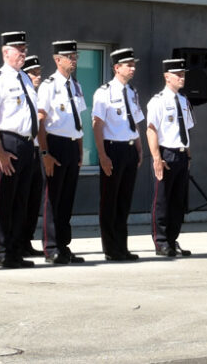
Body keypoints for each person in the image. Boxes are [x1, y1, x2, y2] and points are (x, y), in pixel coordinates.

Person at [0, 31, 46, 267]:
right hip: (8, 142)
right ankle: (1, 251)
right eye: (19, 49)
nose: (23, 53)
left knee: (22, 199)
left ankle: (16, 250)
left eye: (24, 49)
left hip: (27, 143)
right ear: (6, 52)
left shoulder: (25, 78)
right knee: (6, 198)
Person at [92, 48, 143, 260]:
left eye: (133, 64)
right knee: (109, 200)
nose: (132, 68)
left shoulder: (132, 92)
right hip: (113, 149)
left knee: (124, 200)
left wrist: (139, 148)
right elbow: (97, 124)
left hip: (129, 149)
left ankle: (122, 246)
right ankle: (111, 248)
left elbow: (135, 122)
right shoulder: (104, 92)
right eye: (128, 65)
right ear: (116, 68)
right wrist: (102, 155)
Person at [39, 41, 88, 263]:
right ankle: (51, 247)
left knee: (67, 198)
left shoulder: (76, 86)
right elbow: (40, 121)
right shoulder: (49, 85)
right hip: (55, 144)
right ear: (57, 59)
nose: (74, 59)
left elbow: (79, 121)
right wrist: (45, 153)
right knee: (53, 198)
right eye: (70, 56)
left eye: (75, 56)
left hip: (72, 145)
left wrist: (80, 150)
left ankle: (63, 245)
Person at [145, 57, 196, 258]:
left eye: (183, 74)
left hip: (181, 155)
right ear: (167, 77)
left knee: (178, 201)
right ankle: (161, 242)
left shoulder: (184, 101)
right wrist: (156, 157)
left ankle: (172, 240)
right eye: (178, 75)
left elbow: (186, 130)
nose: (182, 78)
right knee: (162, 201)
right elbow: (151, 130)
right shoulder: (158, 101)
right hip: (166, 153)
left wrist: (188, 156)